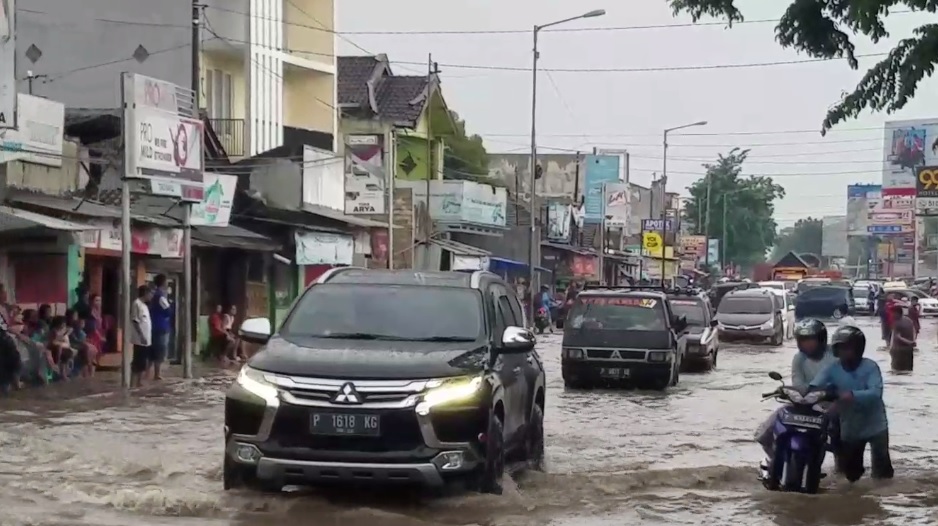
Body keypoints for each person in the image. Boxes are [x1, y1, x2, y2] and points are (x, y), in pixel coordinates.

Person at [810, 325, 893, 482]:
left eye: (847, 348)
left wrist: (851, 395)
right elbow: (814, 387)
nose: (843, 352)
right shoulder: (832, 369)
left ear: (858, 348)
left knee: (882, 474)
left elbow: (876, 393)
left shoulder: (870, 367)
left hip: (876, 425)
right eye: (840, 348)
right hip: (850, 427)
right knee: (852, 476)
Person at [756, 318, 836, 479]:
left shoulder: (834, 356)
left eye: (810, 340)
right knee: (764, 433)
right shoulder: (799, 358)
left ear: (820, 339)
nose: (807, 344)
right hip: (803, 404)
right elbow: (798, 383)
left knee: (843, 440)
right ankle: (776, 460)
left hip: (830, 406)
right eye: (803, 340)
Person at [148, 274, 173, 381]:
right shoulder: (161, 296)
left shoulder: (154, 295)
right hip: (161, 327)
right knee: (160, 350)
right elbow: (168, 311)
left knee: (153, 350)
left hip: (154, 326)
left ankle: (147, 373)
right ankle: (156, 374)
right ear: (163, 283)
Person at [131, 285, 153, 388]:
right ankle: (133, 383)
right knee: (137, 361)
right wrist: (141, 336)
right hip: (139, 339)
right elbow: (135, 321)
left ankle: (139, 382)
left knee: (142, 362)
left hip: (146, 339)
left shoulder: (144, 305)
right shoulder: (136, 304)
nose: (151, 296)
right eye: (150, 293)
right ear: (145, 293)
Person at [889, 304, 915, 371]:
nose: (891, 315)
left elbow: (897, 337)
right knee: (908, 369)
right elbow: (914, 331)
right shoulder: (909, 320)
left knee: (896, 370)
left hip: (899, 350)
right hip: (909, 350)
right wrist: (912, 342)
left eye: (892, 313)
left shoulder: (896, 323)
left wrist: (891, 349)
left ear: (897, 313)